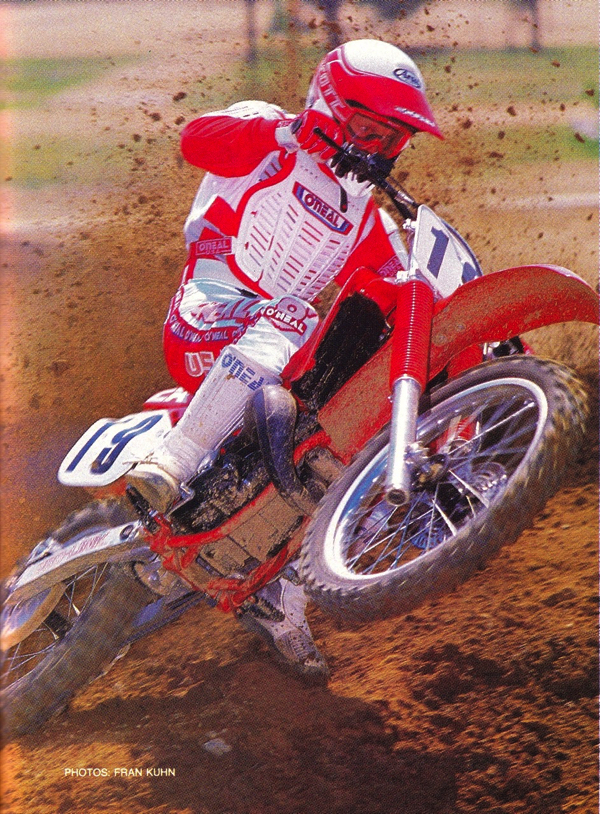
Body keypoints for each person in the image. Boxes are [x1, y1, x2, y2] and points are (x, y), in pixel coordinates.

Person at [127, 39, 442, 678]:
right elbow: (195, 141)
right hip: (206, 316)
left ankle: (283, 591)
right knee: (295, 313)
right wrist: (288, 132)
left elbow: (402, 291)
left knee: (343, 432)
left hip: (268, 359)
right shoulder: (267, 134)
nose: (379, 149)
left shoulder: (365, 217)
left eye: (393, 139)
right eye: (368, 130)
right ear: (330, 106)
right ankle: (173, 460)